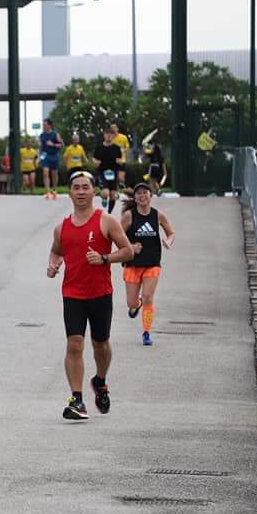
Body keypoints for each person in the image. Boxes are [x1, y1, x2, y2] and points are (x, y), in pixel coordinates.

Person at [47, 170, 133, 420]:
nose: (81, 192)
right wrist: (53, 264)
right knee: (74, 343)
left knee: (100, 344)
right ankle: (77, 399)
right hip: (72, 293)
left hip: (100, 293)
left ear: (94, 191)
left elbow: (128, 251)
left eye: (86, 187)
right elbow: (56, 251)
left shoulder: (106, 221)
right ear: (69, 192)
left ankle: (100, 381)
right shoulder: (61, 227)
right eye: (76, 187)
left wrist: (105, 258)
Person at [121, 183, 175, 346]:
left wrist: (168, 241)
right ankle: (136, 305)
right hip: (132, 264)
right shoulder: (129, 216)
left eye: (145, 192)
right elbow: (117, 237)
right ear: (135, 197)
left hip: (152, 263)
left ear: (151, 195)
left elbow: (171, 233)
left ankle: (146, 332)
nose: (142, 196)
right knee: (131, 303)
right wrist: (131, 247)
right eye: (139, 193)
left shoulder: (158, 215)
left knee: (148, 297)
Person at [93, 128, 124, 214]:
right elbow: (94, 158)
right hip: (102, 172)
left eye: (111, 134)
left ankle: (109, 213)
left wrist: (120, 162)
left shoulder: (116, 148)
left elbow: (120, 159)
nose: (109, 135)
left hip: (114, 172)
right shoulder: (99, 148)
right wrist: (96, 162)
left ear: (113, 136)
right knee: (106, 193)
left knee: (113, 195)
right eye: (107, 134)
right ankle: (103, 198)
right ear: (104, 135)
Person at [39, 118, 64, 199]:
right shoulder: (42, 135)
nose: (44, 126)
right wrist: (39, 158)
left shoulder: (55, 134)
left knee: (54, 174)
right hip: (45, 155)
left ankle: (54, 190)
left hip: (54, 155)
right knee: (45, 172)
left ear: (49, 125)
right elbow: (41, 148)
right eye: (43, 125)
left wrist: (53, 144)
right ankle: (47, 192)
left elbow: (61, 145)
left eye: (45, 125)